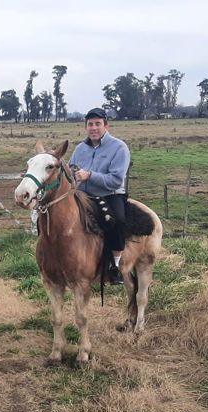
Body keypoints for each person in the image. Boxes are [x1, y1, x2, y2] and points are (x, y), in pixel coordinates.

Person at [69, 107, 130, 285]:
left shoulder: (119, 148)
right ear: (85, 127)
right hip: (82, 194)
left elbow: (116, 180)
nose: (94, 128)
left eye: (97, 124)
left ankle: (115, 265)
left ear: (106, 126)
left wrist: (90, 176)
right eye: (90, 124)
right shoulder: (80, 148)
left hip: (109, 194)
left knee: (117, 220)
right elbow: (71, 169)